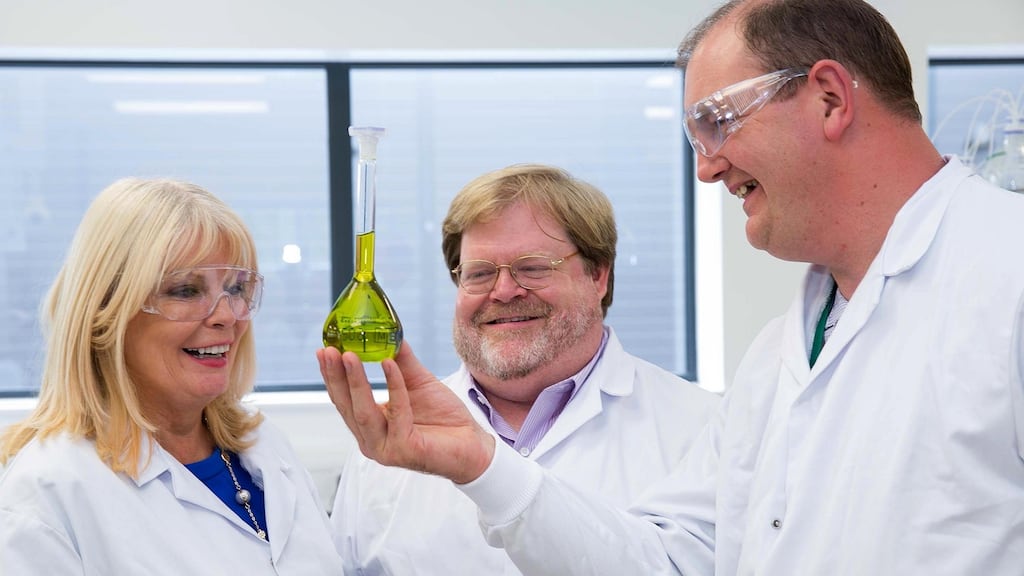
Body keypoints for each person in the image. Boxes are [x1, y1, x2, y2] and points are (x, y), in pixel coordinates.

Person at [318, 0, 1024, 574]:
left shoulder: (1004, 276)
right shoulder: (780, 355)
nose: (707, 171)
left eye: (717, 121)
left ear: (830, 98)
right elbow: (667, 563)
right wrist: (482, 466)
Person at [327, 164, 720, 574]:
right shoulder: (386, 445)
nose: (503, 291)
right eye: (479, 273)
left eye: (532, 267)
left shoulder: (701, 429)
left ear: (598, 276)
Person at [0, 178, 344, 574]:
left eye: (235, 288)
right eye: (184, 291)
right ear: (106, 313)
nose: (227, 315)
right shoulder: (46, 495)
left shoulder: (265, 447)